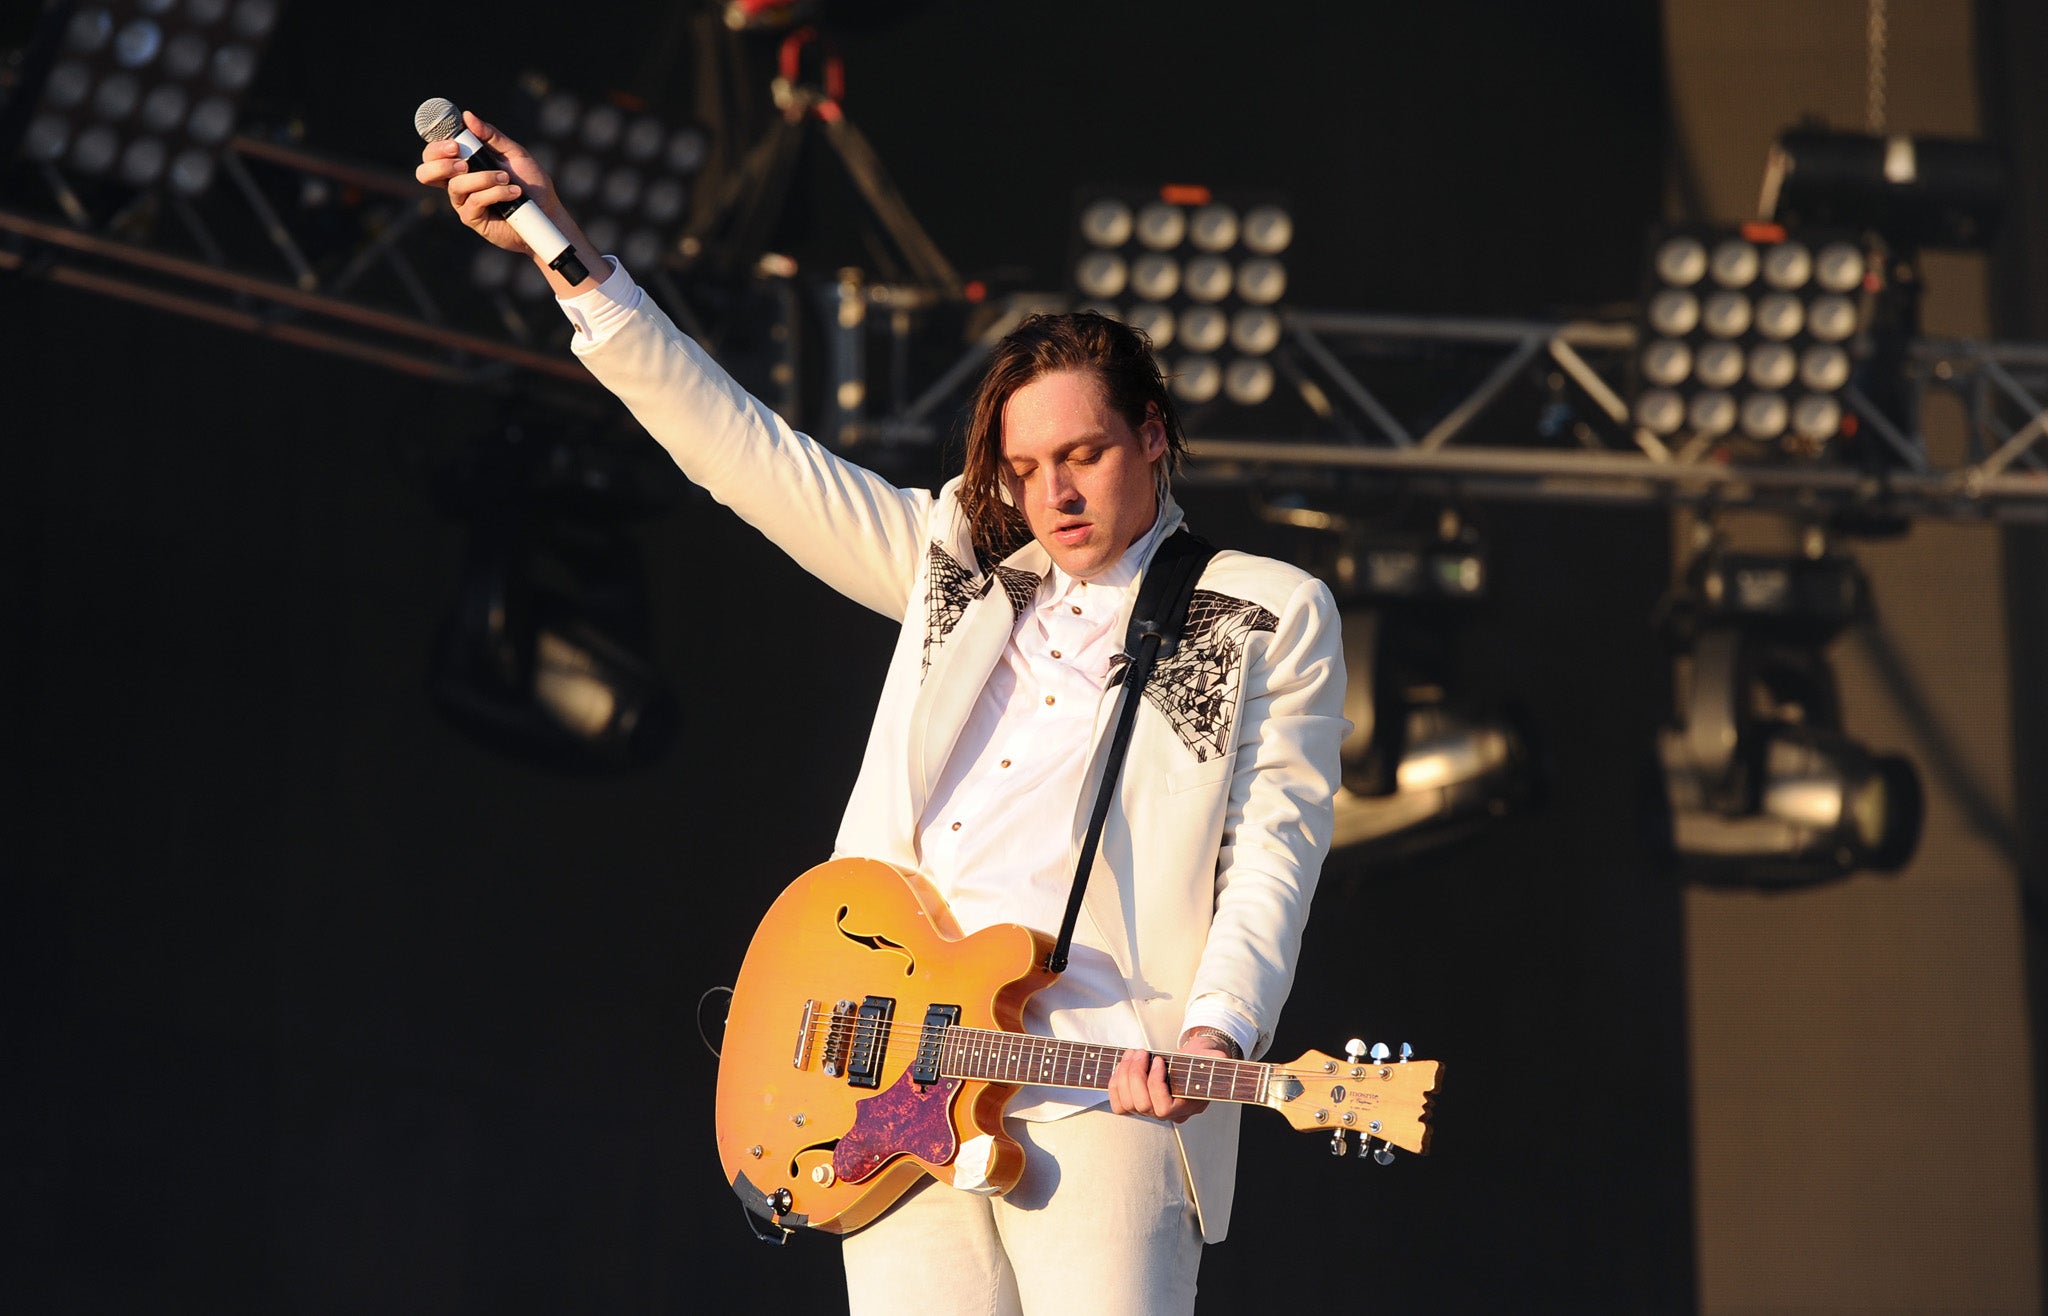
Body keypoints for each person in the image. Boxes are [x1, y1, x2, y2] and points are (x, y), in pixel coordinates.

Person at [419, 112, 1347, 1316]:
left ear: (1152, 437)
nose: (1052, 492)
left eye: (1083, 454)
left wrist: (1217, 1033)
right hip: (894, 1069)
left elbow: (1276, 841)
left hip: (1096, 1077)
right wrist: (571, 260)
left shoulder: (1262, 607)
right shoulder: (953, 563)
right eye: (1023, 468)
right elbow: (743, 451)